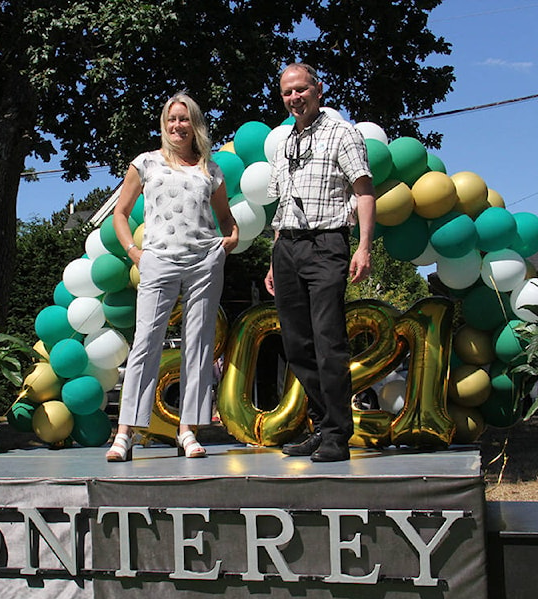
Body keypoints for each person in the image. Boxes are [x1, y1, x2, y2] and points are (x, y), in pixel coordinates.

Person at [106, 93, 239, 462]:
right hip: (158, 261)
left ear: (194, 124)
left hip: (203, 263)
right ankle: (125, 433)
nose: (177, 125)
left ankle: (188, 431)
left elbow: (225, 219)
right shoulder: (145, 163)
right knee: (145, 342)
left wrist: (230, 238)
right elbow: (120, 213)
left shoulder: (210, 170)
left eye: (184, 119)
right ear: (164, 124)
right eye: (171, 119)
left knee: (198, 346)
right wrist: (134, 251)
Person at [264, 63, 375, 463]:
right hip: (287, 246)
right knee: (296, 346)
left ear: (318, 89)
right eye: (287, 93)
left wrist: (363, 247)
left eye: (300, 90)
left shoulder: (342, 133)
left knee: (329, 342)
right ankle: (320, 424)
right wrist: (275, 260)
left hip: (327, 243)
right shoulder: (283, 143)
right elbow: (282, 203)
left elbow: (363, 190)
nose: (294, 98)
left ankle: (337, 436)